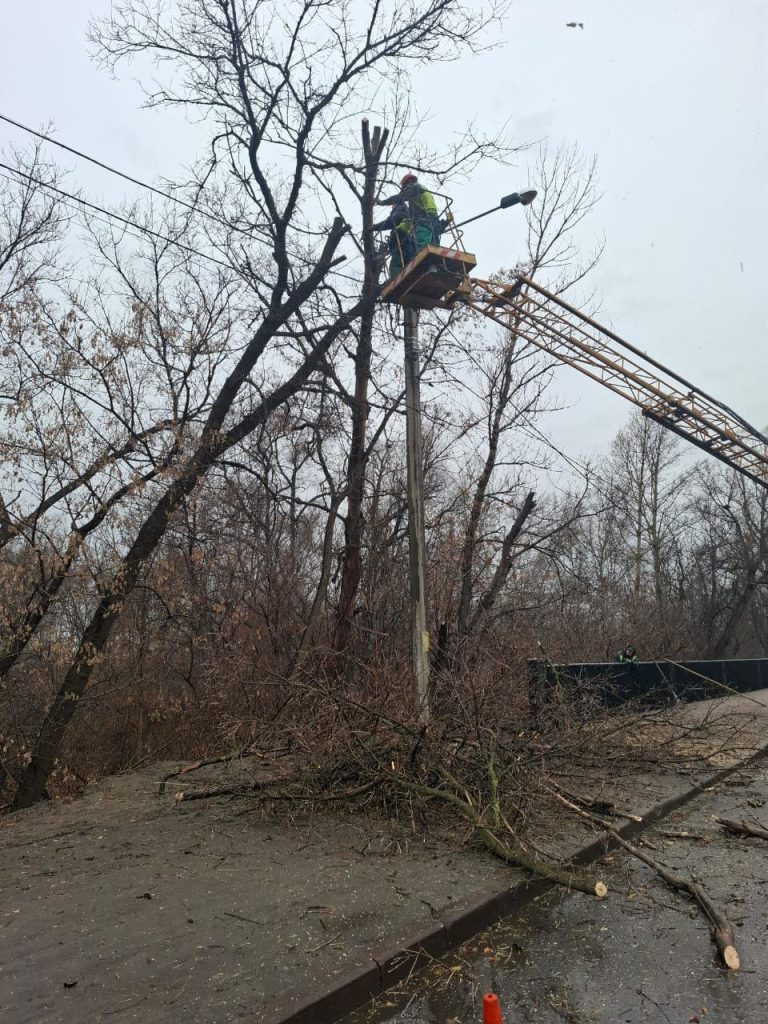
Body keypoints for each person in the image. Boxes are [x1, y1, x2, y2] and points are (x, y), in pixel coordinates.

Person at [373, 172, 441, 276]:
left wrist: (382, 202)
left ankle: (422, 266)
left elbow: (399, 199)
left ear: (408, 182)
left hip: (423, 219)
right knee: (433, 244)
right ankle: (432, 267)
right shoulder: (421, 190)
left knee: (422, 245)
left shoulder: (413, 188)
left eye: (404, 187)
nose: (403, 189)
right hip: (433, 219)